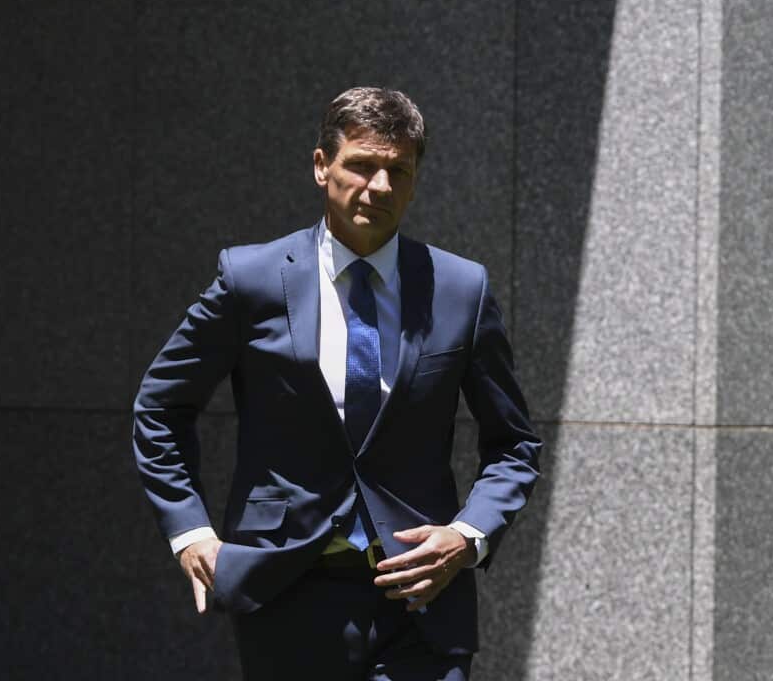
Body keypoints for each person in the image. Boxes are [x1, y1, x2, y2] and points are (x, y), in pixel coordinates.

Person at [133, 87, 541, 680]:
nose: (378, 186)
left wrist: (467, 535)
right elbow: (159, 407)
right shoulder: (252, 280)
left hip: (421, 604)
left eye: (397, 170)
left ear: (415, 180)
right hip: (285, 594)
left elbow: (515, 444)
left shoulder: (460, 289)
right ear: (322, 165)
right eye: (361, 165)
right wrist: (190, 532)